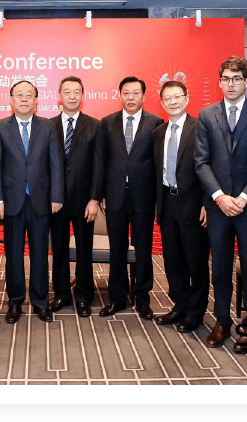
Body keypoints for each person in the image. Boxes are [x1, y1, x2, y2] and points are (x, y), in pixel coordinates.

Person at [194, 56, 247, 351]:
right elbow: (201, 162)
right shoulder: (206, 115)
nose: (231, 84)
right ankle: (222, 321)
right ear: (219, 82)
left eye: (236, 79)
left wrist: (242, 198)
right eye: (226, 79)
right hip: (218, 207)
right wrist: (219, 196)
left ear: (246, 82)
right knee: (220, 266)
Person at [0, 80, 64, 324]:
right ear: (11, 100)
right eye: (19, 95)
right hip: (11, 201)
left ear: (36, 100)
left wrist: (56, 196)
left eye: (28, 95)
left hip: (41, 200)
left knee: (40, 254)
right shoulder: (0, 127)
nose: (23, 99)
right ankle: (15, 301)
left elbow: (56, 164)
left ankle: (40, 302)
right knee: (13, 254)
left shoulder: (48, 126)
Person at [92, 76, 163, 319]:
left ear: (143, 96)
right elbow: (101, 161)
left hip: (144, 196)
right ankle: (117, 298)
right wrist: (99, 194)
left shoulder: (156, 122)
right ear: (119, 95)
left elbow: (158, 163)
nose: (131, 97)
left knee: (143, 249)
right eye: (126, 93)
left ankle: (142, 299)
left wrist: (158, 198)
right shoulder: (107, 122)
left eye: (135, 93)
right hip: (114, 197)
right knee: (117, 250)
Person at [152, 80, 209, 333]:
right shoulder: (158, 133)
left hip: (194, 205)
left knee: (196, 261)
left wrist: (208, 202)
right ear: (162, 102)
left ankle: (195, 312)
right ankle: (180, 305)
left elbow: (210, 167)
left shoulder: (201, 128)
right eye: (168, 98)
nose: (173, 102)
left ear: (187, 99)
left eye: (177, 97)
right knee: (173, 260)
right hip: (167, 202)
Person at [49, 76, 100, 317]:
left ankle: (83, 296)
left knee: (84, 250)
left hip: (84, 200)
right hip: (56, 200)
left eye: (76, 91)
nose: (71, 96)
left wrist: (95, 199)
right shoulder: (48, 125)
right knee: (58, 250)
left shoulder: (95, 125)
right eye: (67, 91)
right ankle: (61, 294)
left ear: (82, 95)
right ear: (59, 96)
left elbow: (99, 165)